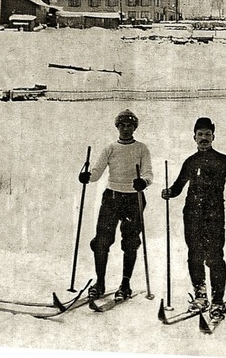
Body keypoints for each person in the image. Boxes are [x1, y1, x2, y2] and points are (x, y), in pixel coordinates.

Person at [161, 117, 226, 322]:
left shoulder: (222, 159)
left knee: (214, 257)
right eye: (200, 134)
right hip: (191, 213)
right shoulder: (190, 161)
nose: (204, 138)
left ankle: (218, 300)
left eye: (207, 135)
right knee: (194, 255)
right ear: (194, 137)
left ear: (213, 137)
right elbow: (177, 187)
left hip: (214, 215)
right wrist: (168, 192)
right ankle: (201, 297)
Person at [79, 109, 153, 306]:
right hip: (111, 198)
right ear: (117, 127)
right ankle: (100, 283)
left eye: (130, 125)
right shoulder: (110, 148)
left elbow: (148, 173)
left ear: (134, 127)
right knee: (101, 241)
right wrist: (88, 177)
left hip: (133, 199)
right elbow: (96, 172)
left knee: (130, 242)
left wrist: (143, 182)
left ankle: (125, 284)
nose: (126, 129)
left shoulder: (141, 149)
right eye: (122, 125)